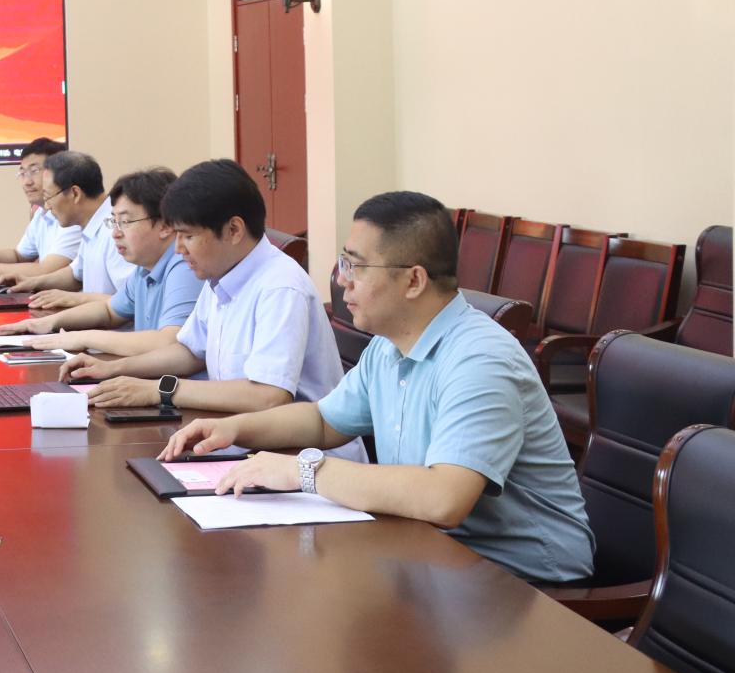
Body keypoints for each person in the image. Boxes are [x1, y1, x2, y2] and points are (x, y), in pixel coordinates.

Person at [161, 191, 594, 584]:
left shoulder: (480, 360)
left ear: (414, 281)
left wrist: (302, 471)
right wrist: (235, 429)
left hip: (527, 581)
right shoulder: (389, 346)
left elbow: (445, 498)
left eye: (356, 266)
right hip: (433, 554)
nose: (341, 279)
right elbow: (323, 421)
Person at [70, 159, 357, 455]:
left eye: (188, 236)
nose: (179, 249)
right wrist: (113, 370)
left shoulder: (280, 287)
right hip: (241, 441)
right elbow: (190, 352)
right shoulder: (220, 273)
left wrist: (159, 389)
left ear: (233, 230)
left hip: (304, 458)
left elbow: (268, 397)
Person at [0, 167, 204, 361]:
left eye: (125, 222)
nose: (116, 233)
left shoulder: (183, 266)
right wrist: (46, 323)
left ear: (165, 226)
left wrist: (83, 338)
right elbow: (109, 310)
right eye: (114, 222)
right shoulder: (144, 268)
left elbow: (168, 341)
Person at [4, 149, 127, 303]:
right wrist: (31, 282)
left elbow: (131, 303)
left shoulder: (115, 231)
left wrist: (74, 299)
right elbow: (75, 274)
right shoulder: (91, 225)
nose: (47, 206)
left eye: (48, 197)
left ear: (75, 193)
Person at [0, 137, 78, 284]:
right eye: (22, 173)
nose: (27, 182)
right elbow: (19, 255)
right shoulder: (41, 213)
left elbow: (46, 271)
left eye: (34, 171)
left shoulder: (72, 217)